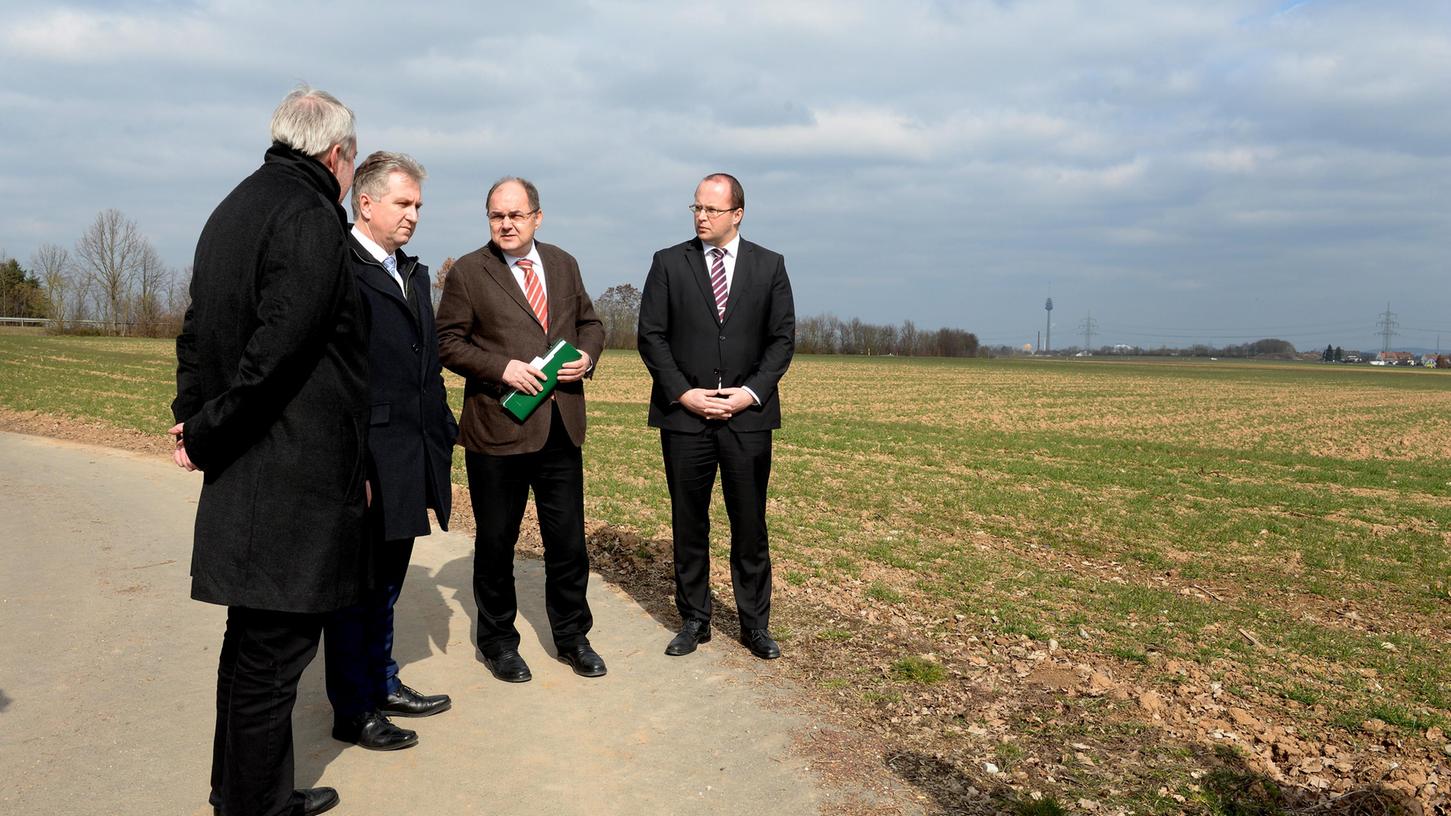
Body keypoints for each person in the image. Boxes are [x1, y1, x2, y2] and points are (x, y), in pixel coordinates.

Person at [170, 86, 362, 816]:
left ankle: (244, 793)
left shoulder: (234, 207)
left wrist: (191, 419)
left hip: (250, 464)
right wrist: (207, 428)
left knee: (248, 651)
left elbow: (197, 332)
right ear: (338, 154)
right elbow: (277, 355)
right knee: (272, 660)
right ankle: (255, 807)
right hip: (291, 474)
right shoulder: (310, 217)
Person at [436, 177, 607, 682]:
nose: (505, 224)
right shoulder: (469, 271)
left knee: (568, 544)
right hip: (499, 429)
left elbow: (592, 324)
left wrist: (587, 356)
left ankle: (573, 637)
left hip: (559, 427)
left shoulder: (563, 263)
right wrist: (500, 368)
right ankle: (497, 643)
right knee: (495, 544)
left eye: (515, 215)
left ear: (537, 216)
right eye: (496, 215)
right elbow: (447, 342)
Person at [324, 151, 457, 752]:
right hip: (370, 456)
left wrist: (444, 431)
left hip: (412, 451)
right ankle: (353, 709)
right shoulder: (340, 266)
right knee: (358, 589)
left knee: (387, 585)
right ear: (367, 203)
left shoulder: (410, 270)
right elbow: (336, 373)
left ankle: (381, 681)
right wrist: (354, 461)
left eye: (418, 206)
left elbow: (423, 364)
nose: (413, 215)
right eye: (403, 204)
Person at [637, 172, 795, 661]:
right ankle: (695, 619)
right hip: (685, 420)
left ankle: (754, 625)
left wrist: (749, 393)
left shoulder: (769, 266)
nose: (701, 217)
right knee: (689, 523)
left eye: (712, 209)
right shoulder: (668, 263)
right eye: (696, 209)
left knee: (749, 525)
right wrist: (684, 394)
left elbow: (781, 340)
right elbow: (652, 336)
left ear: (737, 214)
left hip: (748, 420)